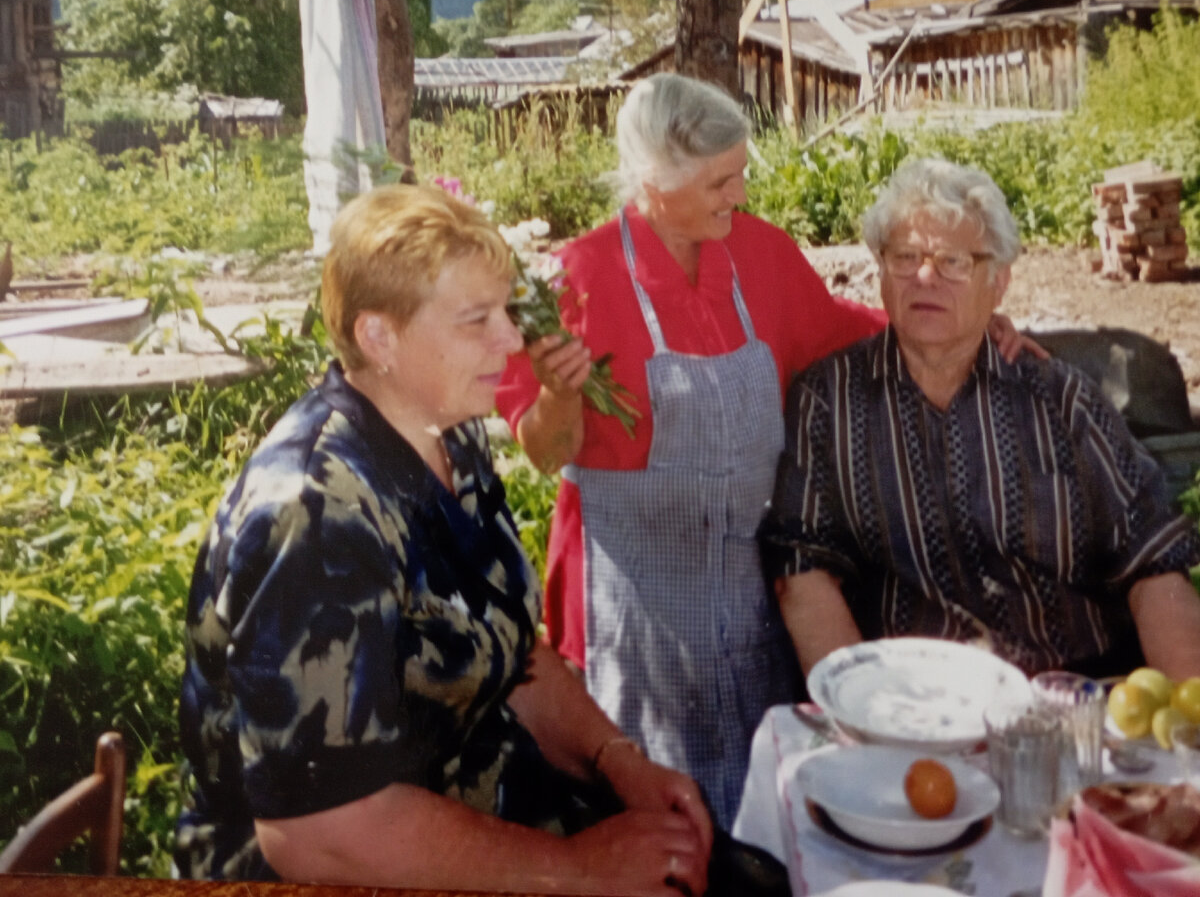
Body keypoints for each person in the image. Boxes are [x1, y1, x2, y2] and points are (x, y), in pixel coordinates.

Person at [175, 184, 713, 894]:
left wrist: (616, 760)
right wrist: (575, 870)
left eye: (505, 312)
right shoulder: (315, 515)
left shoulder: (446, 432)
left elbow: (508, 651)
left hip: (473, 809)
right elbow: (318, 834)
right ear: (379, 338)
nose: (513, 340)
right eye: (476, 320)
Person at [496, 74, 894, 829]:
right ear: (654, 182)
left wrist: (952, 335)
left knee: (755, 813)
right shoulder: (575, 282)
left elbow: (843, 328)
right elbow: (548, 453)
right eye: (720, 180)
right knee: (647, 817)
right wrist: (559, 391)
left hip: (747, 594)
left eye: (739, 172)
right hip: (630, 608)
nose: (738, 194)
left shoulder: (760, 255)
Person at [761, 157, 1200, 681]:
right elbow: (801, 570)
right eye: (905, 257)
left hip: (1071, 688)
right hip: (917, 701)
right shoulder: (829, 400)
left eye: (953, 261)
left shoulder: (1059, 397)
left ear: (998, 283)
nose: (925, 277)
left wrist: (1187, 718)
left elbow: (1151, 558)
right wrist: (863, 713)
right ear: (880, 273)